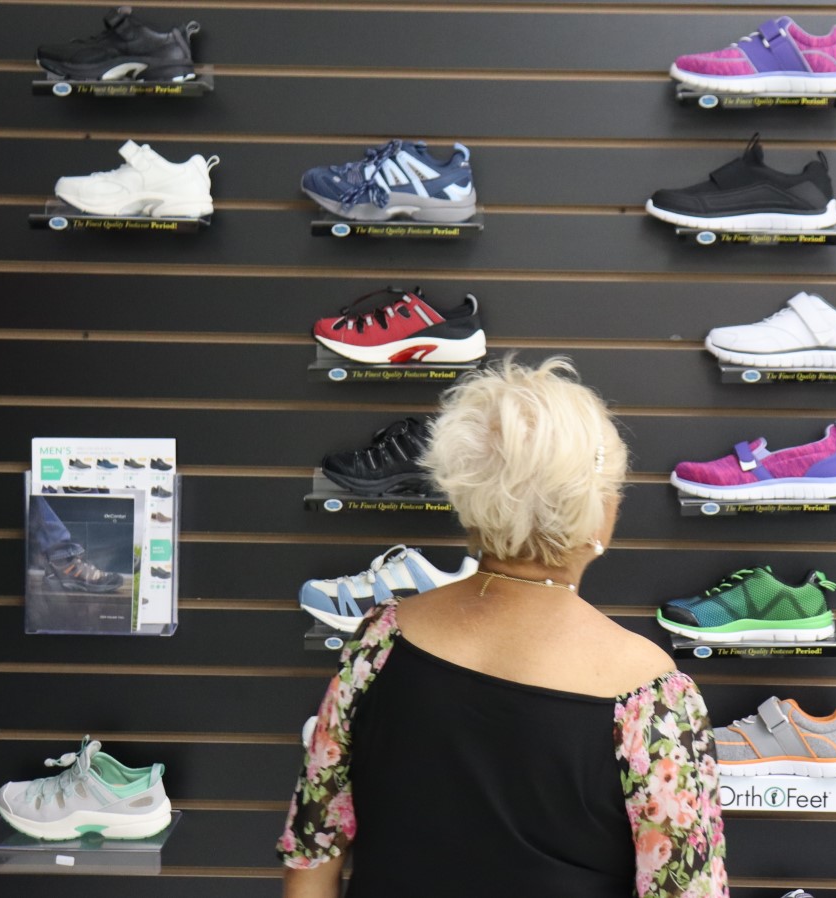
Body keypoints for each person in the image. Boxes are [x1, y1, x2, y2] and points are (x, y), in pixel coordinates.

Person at [279, 357, 727, 898]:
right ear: (600, 512)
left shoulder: (380, 640)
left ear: (469, 499)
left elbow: (312, 856)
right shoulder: (651, 698)